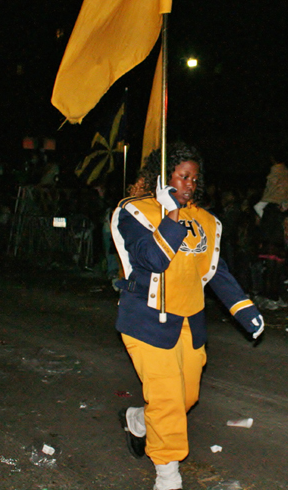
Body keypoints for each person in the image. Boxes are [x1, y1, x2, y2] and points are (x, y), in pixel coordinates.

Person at [110, 143, 264, 490]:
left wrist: (244, 309)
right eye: (183, 176)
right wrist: (169, 217)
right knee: (166, 401)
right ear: (164, 177)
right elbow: (151, 259)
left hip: (189, 323)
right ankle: (168, 477)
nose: (190, 185)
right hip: (145, 321)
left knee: (184, 399)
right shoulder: (134, 212)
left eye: (195, 179)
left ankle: (137, 420)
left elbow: (216, 272)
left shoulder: (205, 220)